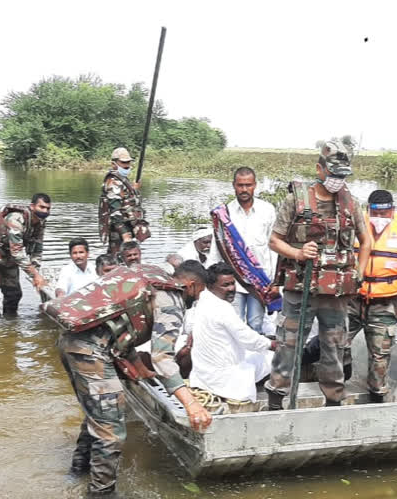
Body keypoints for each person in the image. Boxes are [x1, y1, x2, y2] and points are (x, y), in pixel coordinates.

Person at [49, 260, 213, 498]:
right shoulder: (173, 299)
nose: (196, 300)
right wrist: (192, 404)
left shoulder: (151, 276)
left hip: (71, 342)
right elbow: (162, 357)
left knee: (98, 415)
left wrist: (138, 366)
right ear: (192, 285)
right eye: (198, 293)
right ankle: (101, 493)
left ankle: (77, 471)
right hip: (90, 352)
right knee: (111, 431)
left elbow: (120, 327)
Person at [265, 140, 370, 409]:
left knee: (334, 346)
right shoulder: (296, 201)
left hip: (336, 292)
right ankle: (276, 399)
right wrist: (298, 253)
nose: (337, 180)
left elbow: (365, 241)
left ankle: (333, 401)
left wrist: (358, 273)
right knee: (289, 344)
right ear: (319, 169)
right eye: (333, 174)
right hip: (300, 287)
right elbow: (274, 241)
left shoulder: (351, 203)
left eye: (342, 175)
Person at [348, 189, 397, 403]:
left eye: (385, 213)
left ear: (393, 210)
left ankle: (377, 394)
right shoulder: (355, 225)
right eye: (376, 213)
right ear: (368, 210)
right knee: (337, 343)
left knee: (380, 353)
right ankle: (341, 379)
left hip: (386, 302)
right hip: (352, 299)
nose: (380, 218)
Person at [189, 263, 278, 402]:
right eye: (225, 285)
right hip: (223, 379)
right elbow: (249, 340)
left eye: (232, 283)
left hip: (203, 375)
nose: (231, 289)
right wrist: (273, 345)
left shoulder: (203, 300)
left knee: (257, 353)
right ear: (211, 286)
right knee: (273, 358)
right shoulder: (221, 308)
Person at [207, 167, 279, 333]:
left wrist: (275, 281)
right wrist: (210, 281)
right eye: (240, 185)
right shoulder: (224, 213)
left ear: (255, 185)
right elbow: (216, 250)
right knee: (234, 326)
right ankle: (235, 359)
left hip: (260, 281)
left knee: (255, 325)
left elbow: (274, 247)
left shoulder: (267, 210)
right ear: (234, 185)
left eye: (248, 185)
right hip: (233, 281)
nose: (244, 189)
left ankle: (254, 359)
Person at [0, 193, 51, 319]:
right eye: (42, 207)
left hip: (9, 257)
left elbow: (37, 249)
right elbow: (17, 252)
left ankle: (11, 323)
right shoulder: (15, 219)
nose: (45, 211)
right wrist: (35, 275)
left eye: (48, 208)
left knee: (14, 294)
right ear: (32, 206)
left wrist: (36, 274)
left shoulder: (40, 223)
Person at [98, 147, 150, 260]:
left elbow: (127, 200)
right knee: (118, 257)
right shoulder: (113, 182)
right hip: (119, 230)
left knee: (125, 258)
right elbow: (115, 211)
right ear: (114, 164)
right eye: (123, 162)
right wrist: (125, 234)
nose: (127, 165)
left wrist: (134, 189)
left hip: (128, 227)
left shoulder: (122, 180)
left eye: (128, 162)